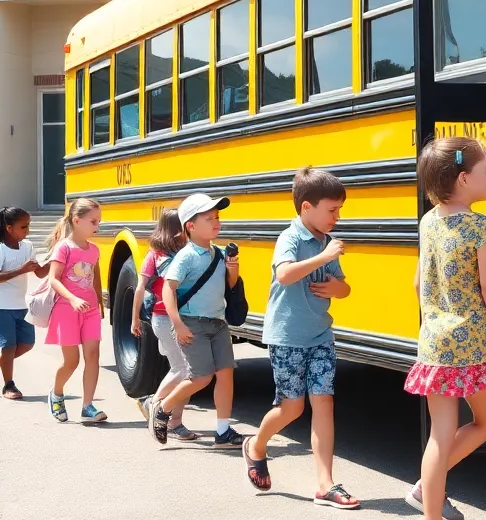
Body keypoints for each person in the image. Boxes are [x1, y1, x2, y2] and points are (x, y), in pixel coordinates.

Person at [243, 167, 359, 509]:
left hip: (321, 334)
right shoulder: (291, 238)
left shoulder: (325, 241)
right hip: (288, 336)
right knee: (292, 407)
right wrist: (323, 257)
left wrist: (337, 287)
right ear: (306, 208)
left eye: (339, 210)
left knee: (324, 402)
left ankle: (325, 484)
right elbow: (284, 273)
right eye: (332, 210)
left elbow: (345, 288)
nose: (337, 217)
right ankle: (256, 445)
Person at [405, 137, 486, 520]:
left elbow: (418, 283)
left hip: (434, 341)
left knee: (439, 434)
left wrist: (435, 320)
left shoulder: (428, 220)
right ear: (464, 179)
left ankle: (428, 505)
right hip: (474, 341)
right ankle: (423, 488)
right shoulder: (482, 227)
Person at [148, 193, 243, 449]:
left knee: (225, 374)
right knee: (201, 377)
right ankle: (162, 408)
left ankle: (223, 431)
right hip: (193, 323)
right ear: (190, 225)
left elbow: (229, 286)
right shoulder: (186, 256)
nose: (216, 221)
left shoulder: (220, 253)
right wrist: (177, 323)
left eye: (217, 217)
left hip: (218, 322)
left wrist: (232, 269)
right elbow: (168, 289)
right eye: (209, 218)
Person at [132, 207, 198, 441]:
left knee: (189, 372)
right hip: (162, 318)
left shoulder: (188, 252)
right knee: (183, 369)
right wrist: (134, 319)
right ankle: (155, 404)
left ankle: (175, 422)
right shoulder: (155, 255)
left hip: (184, 318)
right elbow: (140, 288)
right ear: (175, 229)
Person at [45, 197, 107, 425]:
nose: (97, 226)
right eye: (93, 222)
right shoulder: (64, 248)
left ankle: (87, 406)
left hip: (89, 310)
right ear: (77, 220)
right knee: (71, 361)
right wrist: (71, 298)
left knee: (93, 356)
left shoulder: (94, 250)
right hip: (66, 309)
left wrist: (99, 303)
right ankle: (56, 392)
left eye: (98, 221)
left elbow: (95, 277)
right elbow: (53, 279)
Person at [0, 206, 48, 399]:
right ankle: (9, 385)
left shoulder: (27, 247)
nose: (27, 231)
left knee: (27, 343)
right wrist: (20, 270)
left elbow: (40, 272)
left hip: (21, 305)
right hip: (0, 306)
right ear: (9, 228)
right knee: (9, 347)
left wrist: (56, 260)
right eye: (23, 227)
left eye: (28, 226)